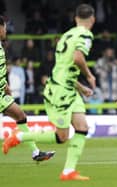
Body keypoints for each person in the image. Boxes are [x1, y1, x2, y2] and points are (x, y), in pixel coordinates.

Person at [2, 4, 96, 181]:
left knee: (82, 128)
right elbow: (77, 58)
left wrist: (81, 87)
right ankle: (20, 136)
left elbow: (63, 67)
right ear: (92, 19)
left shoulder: (67, 35)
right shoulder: (85, 35)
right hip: (60, 91)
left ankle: (68, 171)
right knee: (62, 137)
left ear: (76, 18)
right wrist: (89, 76)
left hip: (68, 87)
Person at [0, 16, 55, 161]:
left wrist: (5, 85)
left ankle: (35, 152)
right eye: (4, 26)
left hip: (1, 94)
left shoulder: (1, 45)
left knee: (21, 116)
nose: (6, 30)